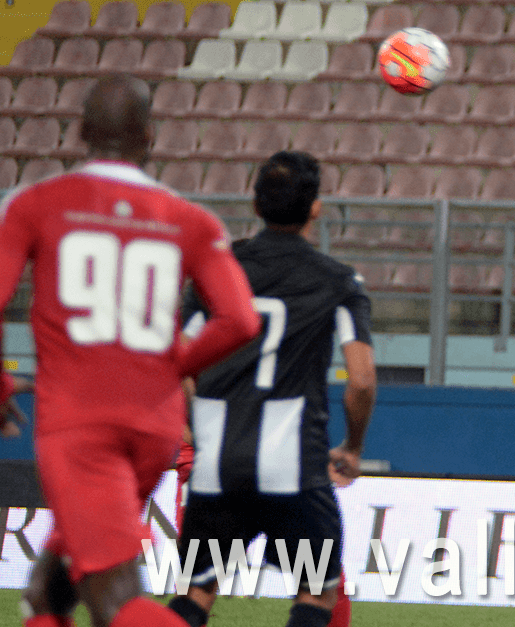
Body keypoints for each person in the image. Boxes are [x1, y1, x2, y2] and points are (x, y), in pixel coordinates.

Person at [0, 75, 260, 627]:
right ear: (150, 136)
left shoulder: (34, 205)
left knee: (116, 600)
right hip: (155, 429)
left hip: (80, 425)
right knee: (49, 591)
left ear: (79, 133)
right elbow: (240, 320)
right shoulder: (190, 219)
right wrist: (172, 366)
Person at [165, 151, 377, 627]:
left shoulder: (216, 269)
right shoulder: (338, 281)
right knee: (316, 595)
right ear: (316, 208)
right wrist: (353, 446)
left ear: (255, 205)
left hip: (219, 462)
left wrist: (197, 432)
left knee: (197, 592)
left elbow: (176, 361)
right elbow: (361, 380)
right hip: (293, 467)